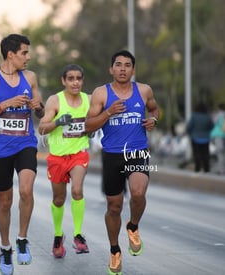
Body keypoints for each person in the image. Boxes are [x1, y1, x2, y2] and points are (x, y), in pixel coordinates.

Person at [85, 50, 159, 275]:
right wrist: (108, 112)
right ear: (111, 69)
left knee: (138, 193)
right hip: (112, 155)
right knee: (114, 206)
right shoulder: (101, 93)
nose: (123, 69)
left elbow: (154, 108)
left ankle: (133, 226)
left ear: (133, 70)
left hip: (136, 152)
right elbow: (88, 126)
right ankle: (115, 250)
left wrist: (153, 119)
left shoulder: (144, 90)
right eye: (118, 64)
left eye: (128, 65)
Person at [0, 34, 44, 275]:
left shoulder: (31, 77)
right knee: (4, 203)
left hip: (25, 142)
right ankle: (5, 248)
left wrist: (38, 107)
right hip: (1, 148)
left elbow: (40, 112)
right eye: (25, 52)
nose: (29, 57)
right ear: (10, 54)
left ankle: (22, 239)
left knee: (26, 190)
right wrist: (6, 103)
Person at [38, 64, 90, 258]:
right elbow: (42, 129)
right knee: (59, 199)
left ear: (82, 80)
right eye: (71, 78)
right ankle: (58, 235)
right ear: (64, 81)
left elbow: (99, 119)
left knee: (77, 190)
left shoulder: (88, 100)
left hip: (78, 154)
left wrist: (91, 128)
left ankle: (78, 234)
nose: (75, 82)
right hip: (58, 156)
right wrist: (59, 122)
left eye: (78, 78)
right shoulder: (55, 100)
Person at [186, 102, 214, 173]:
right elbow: (211, 126)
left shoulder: (194, 116)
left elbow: (189, 127)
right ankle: (206, 168)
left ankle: (197, 168)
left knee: (197, 154)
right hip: (206, 138)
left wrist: (190, 133)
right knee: (205, 154)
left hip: (195, 138)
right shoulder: (207, 116)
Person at [210, 102, 225, 175]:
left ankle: (221, 170)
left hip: (219, 135)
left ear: (219, 108)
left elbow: (213, 122)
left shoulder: (218, 115)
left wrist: (213, 116)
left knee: (220, 153)